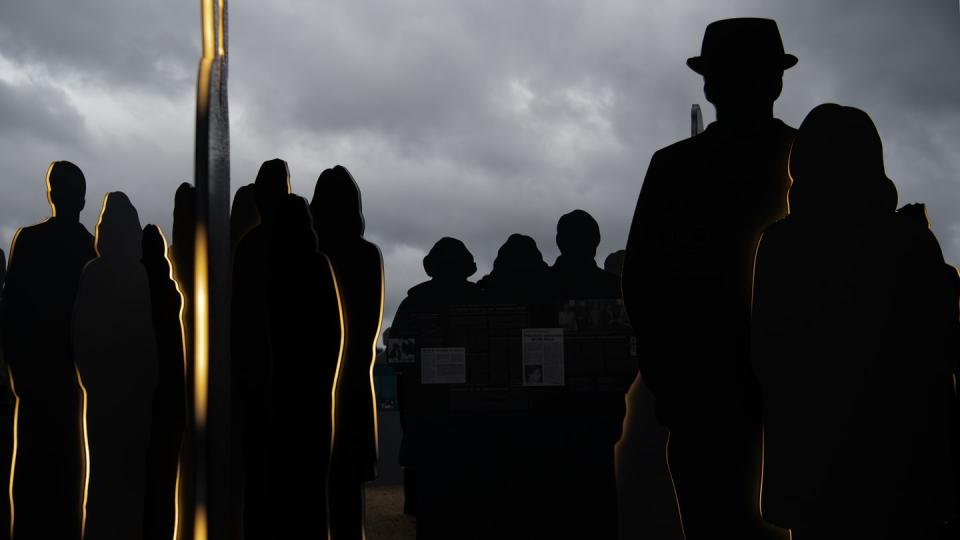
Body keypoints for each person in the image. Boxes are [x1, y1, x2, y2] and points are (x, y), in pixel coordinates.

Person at [621, 18, 797, 539]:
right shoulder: (807, 160)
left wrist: (669, 380)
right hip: (796, 387)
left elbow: (642, 281)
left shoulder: (673, 165)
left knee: (711, 520)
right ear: (777, 82)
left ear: (709, 84)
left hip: (700, 389)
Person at [750, 104, 957, 539]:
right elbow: (941, 345)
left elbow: (768, 351)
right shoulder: (910, 240)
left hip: (813, 462)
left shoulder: (782, 244)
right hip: (903, 458)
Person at [1, 161, 96, 539]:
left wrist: (18, 374)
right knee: (68, 478)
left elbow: (13, 311)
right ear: (83, 199)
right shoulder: (91, 250)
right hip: (74, 381)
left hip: (35, 379)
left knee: (31, 480)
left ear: (51, 194)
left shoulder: (28, 240)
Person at [73, 192, 158, 540]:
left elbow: (80, 336)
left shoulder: (93, 274)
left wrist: (93, 379)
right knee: (131, 479)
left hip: (103, 394)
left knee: (103, 479)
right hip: (135, 394)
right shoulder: (142, 277)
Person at [310, 166, 384, 540]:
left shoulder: (311, 259)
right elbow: (366, 331)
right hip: (354, 386)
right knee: (347, 500)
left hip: (312, 385)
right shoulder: (367, 256)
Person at [266, 195, 342, 538]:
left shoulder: (266, 267)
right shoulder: (317, 265)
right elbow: (332, 332)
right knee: (312, 481)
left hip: (277, 386)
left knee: (280, 481)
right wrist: (324, 380)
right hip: (313, 389)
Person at [232, 159, 290, 539]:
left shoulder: (248, 249)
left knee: (256, 480)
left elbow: (240, 319)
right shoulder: (304, 250)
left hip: (254, 380)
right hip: (290, 382)